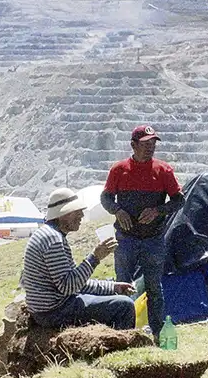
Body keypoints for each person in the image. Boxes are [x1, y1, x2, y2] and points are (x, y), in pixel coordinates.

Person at [101, 125, 184, 339]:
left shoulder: (163, 170)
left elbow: (179, 200)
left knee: (154, 287)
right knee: (122, 284)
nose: (150, 148)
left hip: (153, 239)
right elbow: (106, 198)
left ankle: (157, 333)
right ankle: (122, 332)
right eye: (145, 144)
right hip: (125, 238)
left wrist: (158, 210)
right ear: (133, 145)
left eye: (153, 144)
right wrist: (117, 211)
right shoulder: (119, 169)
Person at [22, 187, 136, 330]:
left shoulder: (48, 234)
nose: (81, 215)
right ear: (63, 214)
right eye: (77, 212)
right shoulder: (53, 239)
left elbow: (76, 283)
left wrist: (113, 287)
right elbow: (69, 286)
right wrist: (95, 258)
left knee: (116, 298)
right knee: (125, 306)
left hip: (48, 308)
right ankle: (121, 348)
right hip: (54, 311)